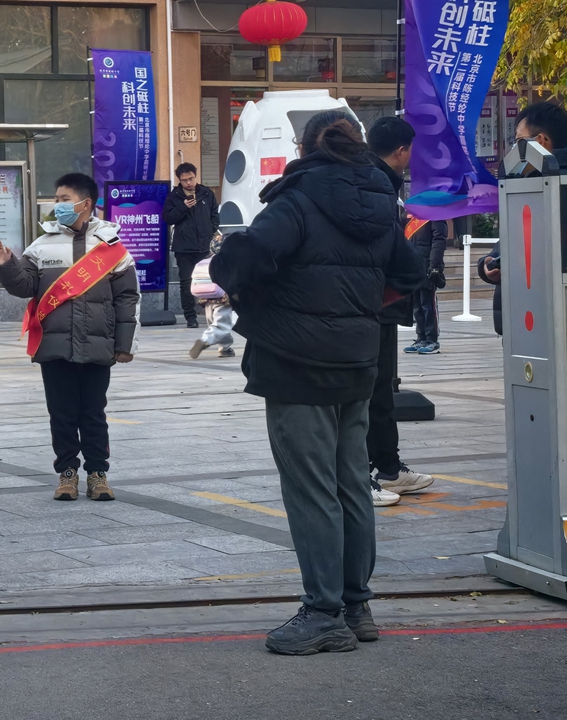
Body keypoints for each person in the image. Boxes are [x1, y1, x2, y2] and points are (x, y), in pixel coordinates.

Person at [210, 110, 424, 655]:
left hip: (295, 363)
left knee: (310, 490)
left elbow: (248, 256)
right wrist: (356, 310)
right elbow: (408, 274)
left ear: (305, 149)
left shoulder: (298, 198)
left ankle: (323, 612)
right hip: (357, 362)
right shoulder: (382, 201)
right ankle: (357, 605)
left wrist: (235, 280)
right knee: (351, 483)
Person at [0, 173, 140, 503]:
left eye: (63, 199)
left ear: (85, 204)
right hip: (55, 346)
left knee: (93, 412)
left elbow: (126, 297)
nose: (56, 204)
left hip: (97, 344)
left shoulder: (111, 246)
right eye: (56, 199)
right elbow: (25, 287)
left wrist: (124, 344)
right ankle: (67, 474)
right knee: (61, 413)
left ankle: (98, 474)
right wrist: (6, 266)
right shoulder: (42, 245)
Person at [365, 116, 436, 505]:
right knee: (368, 390)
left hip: (385, 303)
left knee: (382, 390)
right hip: (370, 303)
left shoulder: (383, 184)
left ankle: (389, 468)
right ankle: (366, 473)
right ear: (401, 150)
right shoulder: (372, 185)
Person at [481, 103, 567, 336]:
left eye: (518, 141)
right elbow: (509, 243)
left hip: (545, 317)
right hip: (522, 319)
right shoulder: (521, 185)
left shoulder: (552, 186)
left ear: (539, 141)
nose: (514, 149)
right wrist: (490, 263)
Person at [163, 163, 220, 328]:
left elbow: (215, 215)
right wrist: (183, 207)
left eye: (191, 179)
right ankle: (190, 317)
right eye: (184, 180)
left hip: (204, 246)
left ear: (196, 176)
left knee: (209, 281)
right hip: (184, 248)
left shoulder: (206, 193)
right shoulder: (174, 196)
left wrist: (210, 231)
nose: (188, 183)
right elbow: (167, 218)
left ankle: (211, 315)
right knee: (186, 282)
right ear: (179, 180)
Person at [402, 216, 446, 355]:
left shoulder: (436, 214)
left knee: (428, 305)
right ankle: (421, 337)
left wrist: (435, 265)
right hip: (412, 265)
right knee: (417, 305)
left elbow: (439, 240)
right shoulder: (410, 216)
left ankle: (432, 340)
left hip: (427, 265)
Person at [188, 236, 236, 359]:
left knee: (216, 325)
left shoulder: (203, 262)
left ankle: (225, 348)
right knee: (222, 325)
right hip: (223, 299)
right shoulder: (228, 262)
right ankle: (205, 340)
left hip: (206, 298)